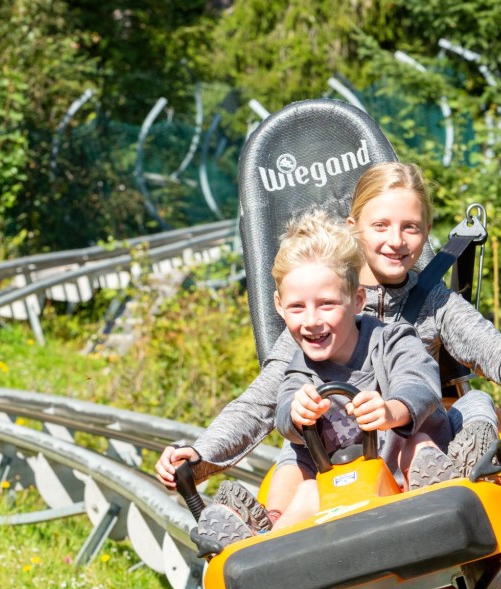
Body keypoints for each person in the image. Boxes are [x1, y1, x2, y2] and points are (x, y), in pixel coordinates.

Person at [157, 162, 501, 530]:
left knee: (477, 406)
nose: (395, 241)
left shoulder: (434, 300)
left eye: (411, 228)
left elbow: (484, 342)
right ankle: (269, 529)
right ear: (355, 228)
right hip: (335, 451)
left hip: (412, 430)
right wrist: (200, 455)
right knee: (293, 453)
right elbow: (261, 401)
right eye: (380, 226)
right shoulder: (319, 313)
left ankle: (465, 483)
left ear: (426, 231)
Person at [191, 210, 452, 547]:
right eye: (297, 307)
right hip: (334, 489)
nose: (311, 320)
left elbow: (419, 381)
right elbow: (280, 409)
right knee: (301, 475)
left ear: (357, 301)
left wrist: (393, 409)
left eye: (327, 304)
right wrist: (297, 415)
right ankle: (263, 538)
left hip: (396, 475)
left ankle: (439, 494)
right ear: (280, 307)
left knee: (417, 444)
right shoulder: (298, 368)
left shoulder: (393, 340)